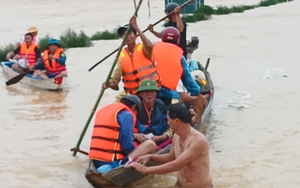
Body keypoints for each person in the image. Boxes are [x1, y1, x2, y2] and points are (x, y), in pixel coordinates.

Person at [129, 103, 213, 188]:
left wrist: (146, 170)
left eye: (169, 120)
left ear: (176, 121)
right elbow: (170, 157)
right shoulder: (176, 136)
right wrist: (150, 157)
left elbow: (176, 165)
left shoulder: (198, 141)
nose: (168, 123)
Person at [89, 94, 157, 173]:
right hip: (112, 164)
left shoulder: (104, 110)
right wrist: (139, 152)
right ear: (134, 107)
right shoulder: (127, 115)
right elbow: (127, 146)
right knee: (150, 144)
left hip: (97, 161)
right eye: (136, 113)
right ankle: (124, 163)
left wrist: (134, 136)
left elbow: (113, 133)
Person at [102, 15, 160, 97]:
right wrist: (110, 83)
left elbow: (148, 45)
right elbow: (115, 77)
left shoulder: (144, 48)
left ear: (136, 36)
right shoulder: (121, 55)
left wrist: (136, 27)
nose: (127, 37)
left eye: (129, 34)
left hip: (150, 93)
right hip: (134, 96)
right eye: (124, 35)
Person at [152, 27, 200, 106]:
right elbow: (188, 80)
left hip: (148, 89)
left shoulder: (152, 48)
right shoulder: (180, 56)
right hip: (166, 94)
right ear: (178, 40)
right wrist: (197, 92)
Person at [136, 79, 172, 145]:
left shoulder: (162, 107)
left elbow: (171, 127)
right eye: (146, 92)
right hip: (139, 143)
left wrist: (162, 137)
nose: (149, 94)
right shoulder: (135, 108)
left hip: (160, 142)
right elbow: (126, 131)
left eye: (152, 91)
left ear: (156, 93)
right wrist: (136, 136)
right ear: (140, 94)